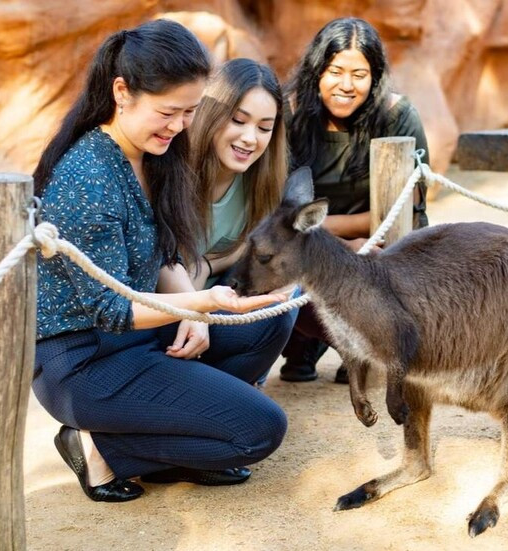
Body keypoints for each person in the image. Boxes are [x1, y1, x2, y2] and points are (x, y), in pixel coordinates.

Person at [31, 20, 290, 503]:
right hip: (86, 360)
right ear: (122, 92)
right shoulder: (88, 178)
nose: (180, 126)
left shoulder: (155, 153)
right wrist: (200, 303)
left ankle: (181, 445)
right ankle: (100, 447)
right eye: (169, 111)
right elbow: (111, 310)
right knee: (260, 430)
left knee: (267, 320)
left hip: (141, 337)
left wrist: (190, 306)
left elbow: (165, 248)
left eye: (191, 112)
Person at [281, 17, 431, 383]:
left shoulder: (397, 115)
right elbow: (276, 212)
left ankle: (365, 347)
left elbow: (405, 206)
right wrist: (345, 243)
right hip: (310, 245)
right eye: (335, 71)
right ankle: (302, 340)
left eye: (359, 74)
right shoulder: (288, 112)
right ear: (317, 70)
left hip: (382, 242)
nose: (346, 85)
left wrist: (361, 244)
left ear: (375, 76)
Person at [187, 58, 286, 291]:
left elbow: (264, 240)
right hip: (165, 305)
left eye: (264, 128)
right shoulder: (176, 169)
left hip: (223, 297)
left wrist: (207, 266)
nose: (250, 138)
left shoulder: (262, 179)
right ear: (211, 114)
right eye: (238, 121)